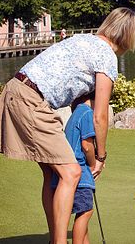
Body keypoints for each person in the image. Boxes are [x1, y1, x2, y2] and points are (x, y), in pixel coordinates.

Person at [0, 7, 135, 244]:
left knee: (52, 173)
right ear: (130, 36)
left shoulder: (83, 40)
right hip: (31, 100)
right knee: (71, 172)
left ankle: (54, 238)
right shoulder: (107, 56)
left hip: (17, 90)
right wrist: (100, 155)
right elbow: (99, 115)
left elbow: (76, 97)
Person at [51, 100, 96, 244]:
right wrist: (94, 163)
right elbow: (87, 145)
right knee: (85, 212)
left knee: (83, 211)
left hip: (66, 171)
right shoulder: (87, 113)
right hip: (80, 173)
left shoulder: (75, 113)